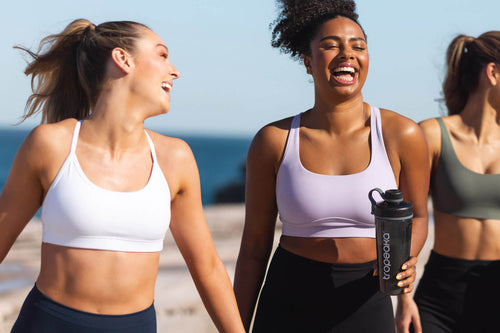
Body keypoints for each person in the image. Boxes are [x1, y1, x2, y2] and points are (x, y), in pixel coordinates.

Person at [0, 19, 245, 333]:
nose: (175, 71)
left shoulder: (175, 158)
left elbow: (208, 268)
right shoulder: (51, 145)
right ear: (123, 59)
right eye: (162, 55)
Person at [233, 0, 429, 332]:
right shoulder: (274, 140)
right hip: (288, 300)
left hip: (367, 298)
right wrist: (234, 326)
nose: (347, 54)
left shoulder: (403, 134)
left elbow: (419, 216)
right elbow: (253, 248)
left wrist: (405, 259)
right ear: (308, 62)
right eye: (330, 45)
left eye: (358, 46)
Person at [415, 31, 500, 333]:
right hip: (440, 297)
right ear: (493, 73)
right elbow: (405, 219)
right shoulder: (432, 135)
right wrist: (401, 296)